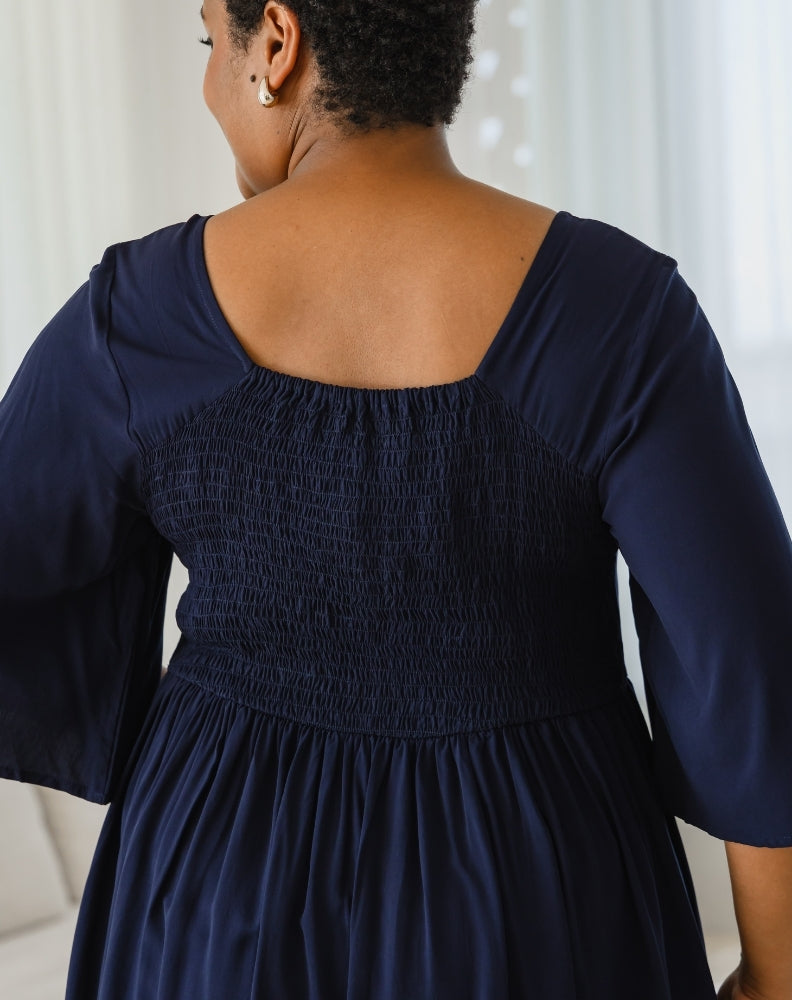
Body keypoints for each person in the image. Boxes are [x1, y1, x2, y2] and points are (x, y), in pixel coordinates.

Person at [0, 1, 790, 997]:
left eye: (212, 39)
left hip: (213, 887)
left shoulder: (138, 314)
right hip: (545, 889)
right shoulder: (622, 312)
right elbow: (752, 658)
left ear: (276, 45)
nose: (207, 82)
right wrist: (776, 970)